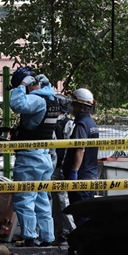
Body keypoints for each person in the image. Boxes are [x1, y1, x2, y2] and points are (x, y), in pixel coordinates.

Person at [9, 67, 61, 247]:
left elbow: (17, 104)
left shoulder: (38, 100)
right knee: (42, 199)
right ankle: (47, 238)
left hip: (30, 158)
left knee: (25, 198)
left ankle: (30, 238)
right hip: (45, 156)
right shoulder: (51, 98)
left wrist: (22, 85)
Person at [62, 88, 99, 205]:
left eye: (74, 104)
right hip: (90, 175)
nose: (71, 106)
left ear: (81, 106)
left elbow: (80, 149)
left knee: (80, 213)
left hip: (81, 176)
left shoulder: (81, 125)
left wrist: (74, 171)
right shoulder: (91, 123)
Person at [49, 90, 76, 245]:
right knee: (55, 203)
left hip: (60, 169)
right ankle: (59, 233)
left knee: (62, 202)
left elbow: (68, 150)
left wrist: (66, 169)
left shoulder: (67, 124)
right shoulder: (54, 123)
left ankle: (69, 232)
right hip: (53, 168)